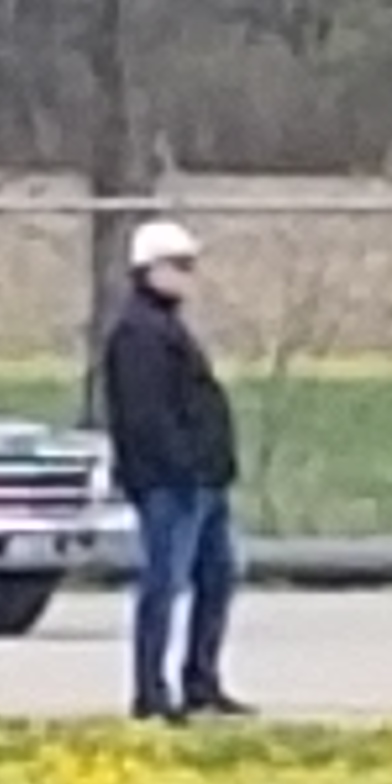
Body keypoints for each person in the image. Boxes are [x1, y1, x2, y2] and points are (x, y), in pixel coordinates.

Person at [98, 217, 247, 723]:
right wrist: (180, 466)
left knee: (217, 577)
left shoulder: (165, 328)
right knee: (164, 583)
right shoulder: (138, 333)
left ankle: (200, 681)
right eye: (178, 265)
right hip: (171, 484)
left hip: (202, 481)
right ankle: (151, 691)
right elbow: (145, 415)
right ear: (149, 268)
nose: (187, 275)